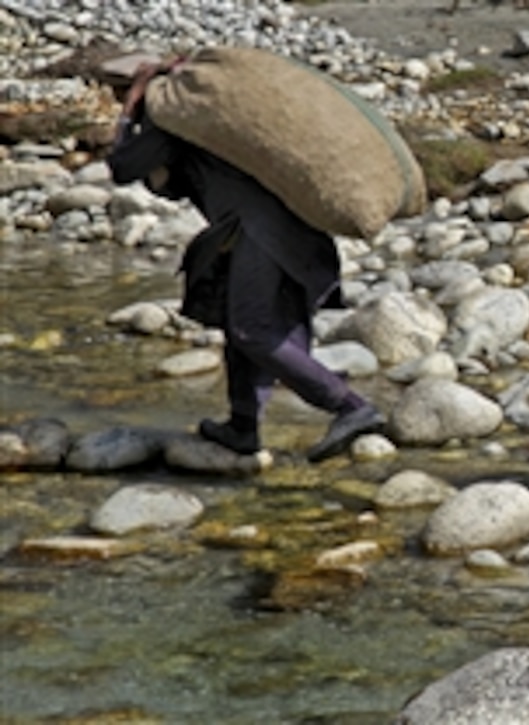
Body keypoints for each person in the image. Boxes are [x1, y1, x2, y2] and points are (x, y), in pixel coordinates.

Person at [106, 60, 385, 463]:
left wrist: (129, 114)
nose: (119, 97)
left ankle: (352, 407)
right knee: (240, 328)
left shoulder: (168, 122)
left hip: (262, 234)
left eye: (122, 90)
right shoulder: (204, 126)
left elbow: (121, 167)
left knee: (253, 330)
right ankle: (242, 426)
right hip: (279, 233)